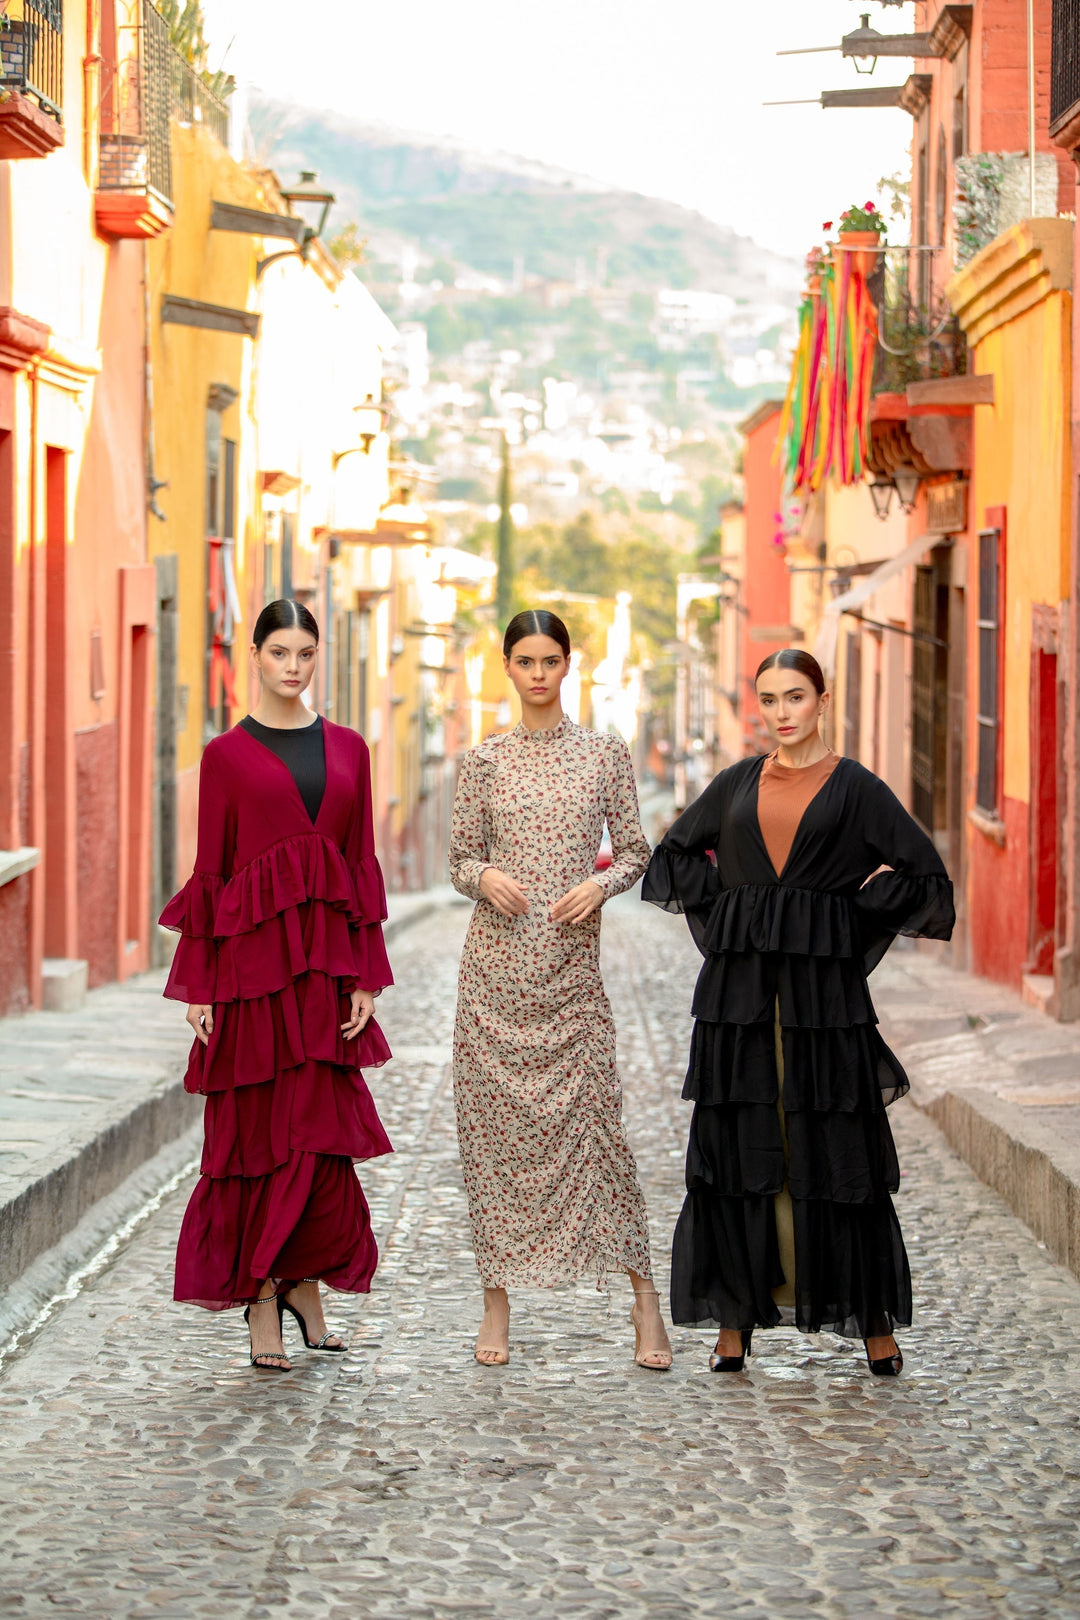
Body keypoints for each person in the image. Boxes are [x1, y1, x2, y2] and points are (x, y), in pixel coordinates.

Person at [642, 649, 954, 1375]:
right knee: (742, 1140)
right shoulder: (736, 782)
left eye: (795, 697)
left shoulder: (856, 789)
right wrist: (741, 910)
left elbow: (922, 872)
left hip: (822, 1004)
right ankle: (735, 1317)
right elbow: (673, 858)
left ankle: (870, 1317)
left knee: (834, 1144)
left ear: (822, 699)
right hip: (740, 1000)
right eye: (769, 700)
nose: (782, 712)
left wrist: (836, 917)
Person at [161, 599, 394, 1371]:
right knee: (256, 1137)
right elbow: (213, 872)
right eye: (279, 653)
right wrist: (200, 985)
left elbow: (359, 866)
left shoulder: (351, 749)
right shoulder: (225, 757)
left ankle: (303, 1282)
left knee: (319, 1138)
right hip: (253, 981)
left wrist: (365, 976)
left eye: (305, 654)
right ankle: (261, 1293)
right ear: (253, 656)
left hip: (325, 975)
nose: (293, 667)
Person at [449, 609, 673, 1371]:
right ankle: (496, 1301)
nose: (538, 673)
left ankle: (646, 1303)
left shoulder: (604, 756)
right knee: (492, 1147)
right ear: (506, 668)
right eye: (525, 661)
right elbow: (458, 860)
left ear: (568, 666)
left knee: (600, 1135)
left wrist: (599, 885)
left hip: (572, 977)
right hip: (493, 978)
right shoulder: (483, 762)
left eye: (550, 660)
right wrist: (486, 877)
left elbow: (637, 850)